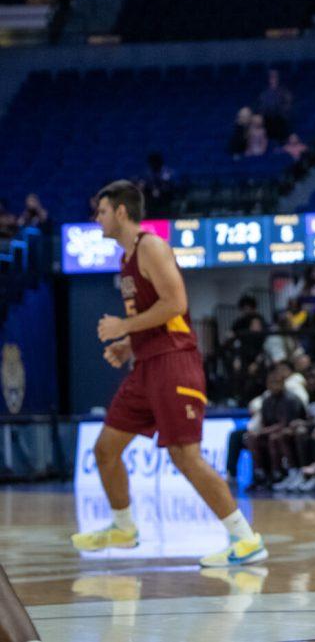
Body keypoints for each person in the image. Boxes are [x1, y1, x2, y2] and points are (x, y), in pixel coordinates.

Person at [71, 181, 266, 566]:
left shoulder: (151, 247)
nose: (97, 218)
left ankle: (246, 540)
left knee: (185, 455)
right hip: (146, 365)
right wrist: (129, 344)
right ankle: (123, 527)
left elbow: (176, 303)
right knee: (106, 449)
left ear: (122, 212)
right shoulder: (127, 259)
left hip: (174, 362)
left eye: (102, 211)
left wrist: (124, 328)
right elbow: (155, 316)